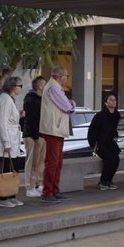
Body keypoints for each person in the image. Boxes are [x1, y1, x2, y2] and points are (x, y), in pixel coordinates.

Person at [39, 66, 76, 203]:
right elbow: (67, 106)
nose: (67, 78)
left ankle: (54, 190)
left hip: (56, 128)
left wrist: (70, 104)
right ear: (60, 76)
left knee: (57, 162)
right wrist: (72, 105)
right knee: (53, 162)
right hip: (53, 128)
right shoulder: (54, 88)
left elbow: (67, 104)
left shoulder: (53, 87)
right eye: (66, 75)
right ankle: (48, 192)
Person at [0, 76, 24, 208]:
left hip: (12, 138)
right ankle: (3, 196)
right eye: (19, 86)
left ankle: (11, 195)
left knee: (13, 168)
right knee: (6, 169)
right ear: (13, 87)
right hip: (7, 139)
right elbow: (2, 121)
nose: (21, 88)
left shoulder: (9, 99)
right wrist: (6, 142)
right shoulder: (5, 99)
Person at [88, 94, 121, 190]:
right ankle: (103, 181)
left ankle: (109, 180)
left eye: (115, 100)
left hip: (111, 143)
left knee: (116, 160)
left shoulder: (116, 115)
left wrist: (115, 136)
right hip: (101, 143)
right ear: (106, 102)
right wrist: (93, 144)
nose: (113, 101)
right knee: (110, 159)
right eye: (111, 100)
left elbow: (114, 130)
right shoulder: (100, 115)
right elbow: (92, 130)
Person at [23, 76, 46, 198]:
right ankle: (29, 186)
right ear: (40, 86)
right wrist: (36, 135)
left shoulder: (41, 99)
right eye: (44, 84)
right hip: (32, 135)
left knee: (40, 162)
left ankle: (38, 185)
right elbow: (31, 119)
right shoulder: (31, 99)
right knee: (31, 162)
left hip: (40, 135)